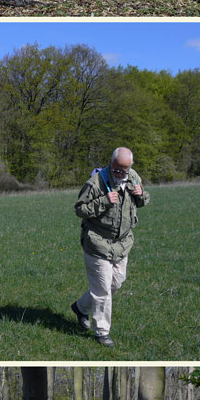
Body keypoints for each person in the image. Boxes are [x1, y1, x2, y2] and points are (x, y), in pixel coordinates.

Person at [72, 147, 149, 347]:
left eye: (125, 170)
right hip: (97, 242)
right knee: (102, 290)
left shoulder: (133, 178)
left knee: (116, 283)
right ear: (111, 164)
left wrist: (141, 194)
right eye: (117, 170)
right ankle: (102, 332)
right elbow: (80, 209)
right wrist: (103, 201)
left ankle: (80, 308)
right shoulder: (96, 182)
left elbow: (143, 201)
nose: (121, 175)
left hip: (122, 244)